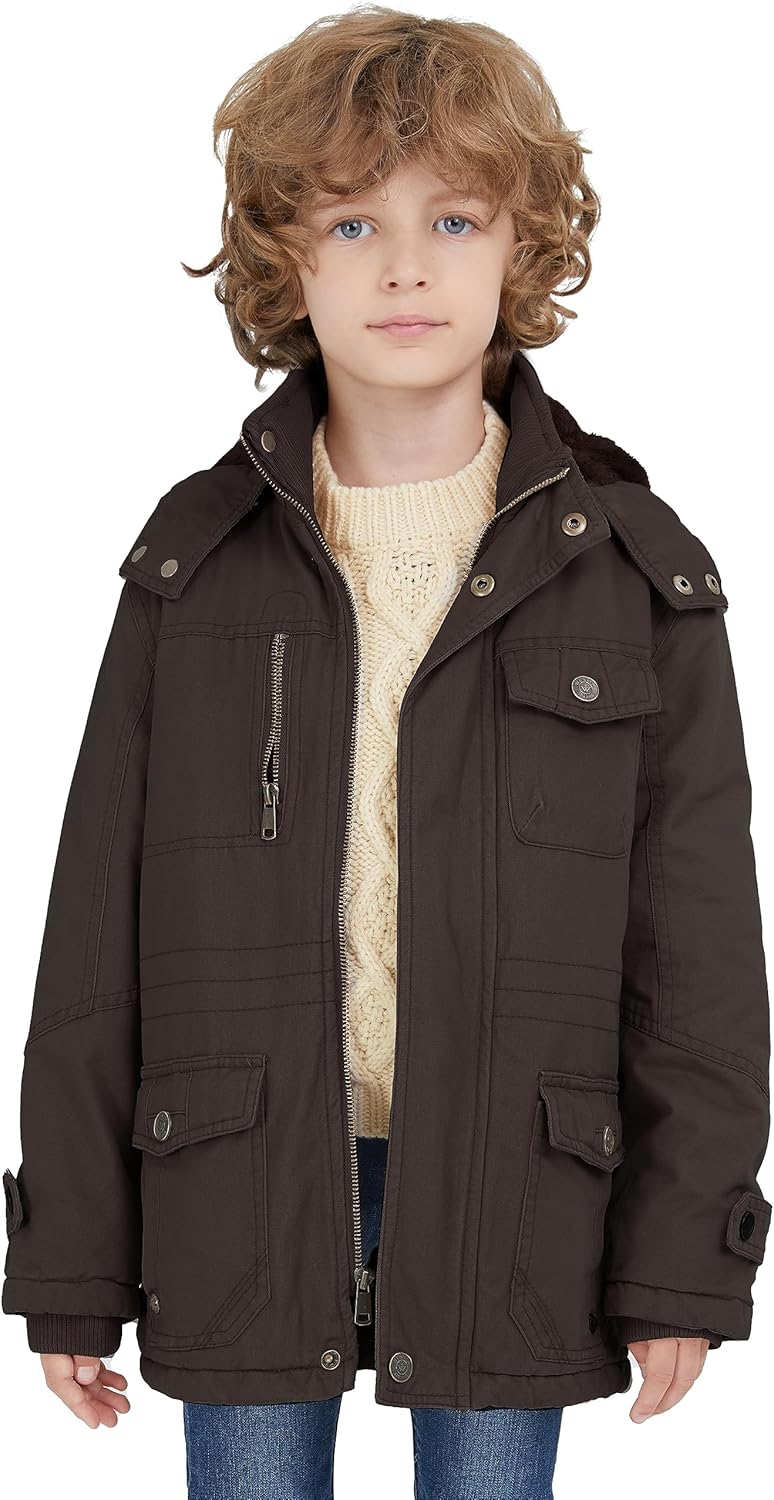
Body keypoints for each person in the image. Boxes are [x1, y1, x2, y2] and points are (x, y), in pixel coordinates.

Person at [3, 7, 771, 1499]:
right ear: (283, 257)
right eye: (352, 221)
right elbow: (93, 935)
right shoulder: (194, 566)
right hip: (232, 1186)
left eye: (454, 218)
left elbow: (696, 957)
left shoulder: (629, 575)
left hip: (520, 1196)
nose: (405, 266)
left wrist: (683, 1256)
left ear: (523, 243)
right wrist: (71, 1262)